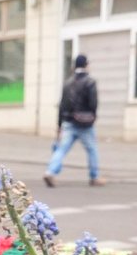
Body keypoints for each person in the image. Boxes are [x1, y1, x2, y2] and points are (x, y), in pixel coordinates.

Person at [44, 54, 105, 187]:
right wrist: (93, 117)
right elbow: (93, 103)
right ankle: (94, 177)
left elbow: (62, 105)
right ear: (86, 65)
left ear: (74, 66)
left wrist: (59, 125)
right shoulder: (90, 82)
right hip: (85, 123)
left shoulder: (67, 83)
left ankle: (50, 172)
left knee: (61, 149)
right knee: (92, 149)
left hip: (69, 122)